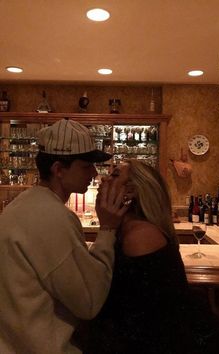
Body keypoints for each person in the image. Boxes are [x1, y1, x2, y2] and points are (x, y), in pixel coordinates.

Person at [0, 119, 128, 354]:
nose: (94, 172)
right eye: (86, 165)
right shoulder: (52, 216)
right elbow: (89, 301)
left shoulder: (24, 205)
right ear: (59, 169)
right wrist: (108, 229)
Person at [84, 159, 219, 354]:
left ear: (131, 192)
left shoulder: (140, 236)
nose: (104, 178)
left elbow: (142, 320)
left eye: (115, 175)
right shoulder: (129, 229)